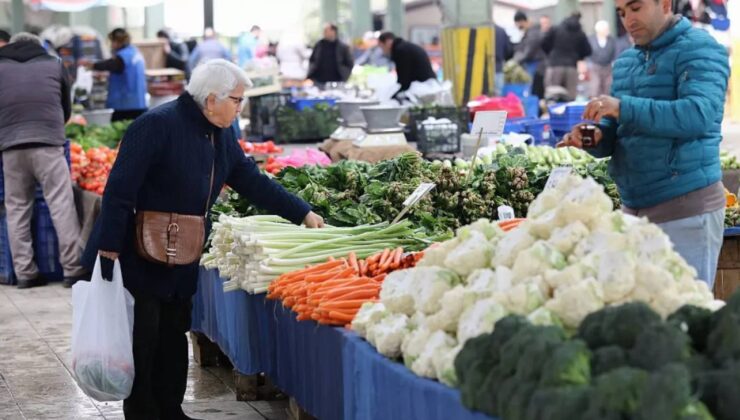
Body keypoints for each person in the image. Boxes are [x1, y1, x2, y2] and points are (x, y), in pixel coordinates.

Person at [81, 59, 323, 419]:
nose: (241, 108)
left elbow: (251, 180)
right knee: (143, 337)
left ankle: (170, 408)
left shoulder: (221, 135)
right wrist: (108, 250)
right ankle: (143, 411)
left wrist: (302, 212)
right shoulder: (155, 126)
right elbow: (118, 191)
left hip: (184, 249)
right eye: (237, 100)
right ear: (212, 99)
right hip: (137, 251)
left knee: (174, 331)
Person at [558, 0, 730, 286]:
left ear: (664, 3)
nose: (628, 20)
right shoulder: (626, 62)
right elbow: (617, 129)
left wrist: (623, 107)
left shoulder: (701, 48)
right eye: (622, 13)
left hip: (686, 210)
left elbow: (697, 115)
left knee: (683, 316)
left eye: (636, 9)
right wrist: (596, 137)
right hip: (633, 210)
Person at [0, 33, 88, 289]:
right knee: (60, 204)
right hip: (48, 144)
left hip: (10, 146)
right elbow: (66, 106)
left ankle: (25, 273)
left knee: (16, 207)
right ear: (38, 47)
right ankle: (72, 269)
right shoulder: (54, 63)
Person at [89, 28, 147, 122]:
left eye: (112, 41)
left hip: (124, 105)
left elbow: (111, 65)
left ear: (118, 41)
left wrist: (92, 65)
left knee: (120, 133)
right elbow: (126, 72)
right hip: (139, 102)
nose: (111, 45)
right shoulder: (135, 52)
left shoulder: (123, 56)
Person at [542, 12, 592, 100]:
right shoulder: (580, 33)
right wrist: (578, 56)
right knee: (570, 97)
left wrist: (550, 53)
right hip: (571, 67)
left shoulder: (556, 28)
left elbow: (544, 42)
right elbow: (588, 50)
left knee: (552, 96)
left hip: (555, 65)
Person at [377, 31, 436, 98]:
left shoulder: (400, 50)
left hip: (423, 89)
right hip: (427, 85)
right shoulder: (404, 46)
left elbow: (404, 78)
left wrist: (393, 95)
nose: (383, 51)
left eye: (382, 47)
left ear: (388, 42)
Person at [512, 11, 547, 99]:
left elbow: (529, 52)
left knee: (534, 92)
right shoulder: (529, 32)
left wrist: (517, 60)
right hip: (534, 65)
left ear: (522, 22)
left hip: (536, 66)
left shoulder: (533, 33)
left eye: (518, 24)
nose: (517, 27)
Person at [588, 20, 619, 97]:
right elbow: (587, 52)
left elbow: (615, 51)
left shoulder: (612, 40)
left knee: (608, 87)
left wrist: (614, 62)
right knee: (595, 86)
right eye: (606, 29)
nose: (608, 31)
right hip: (595, 66)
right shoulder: (591, 39)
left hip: (608, 66)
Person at [494, 24, 514, 96]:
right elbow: (508, 50)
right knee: (498, 93)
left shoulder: (480, 30)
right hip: (498, 66)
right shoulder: (501, 31)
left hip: (480, 70)